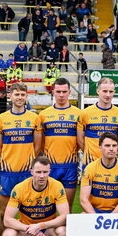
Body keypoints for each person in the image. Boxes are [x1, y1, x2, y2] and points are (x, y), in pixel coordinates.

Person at [0, 82, 39, 236]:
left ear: (26, 96)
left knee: (30, 212)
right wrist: (6, 162)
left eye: (23, 94)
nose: (20, 97)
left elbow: (37, 145)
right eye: (16, 94)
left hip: (27, 173)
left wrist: (30, 164)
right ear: (10, 96)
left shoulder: (34, 118)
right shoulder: (2, 119)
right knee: (4, 213)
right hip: (8, 173)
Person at [2, 156, 69, 236]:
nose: (42, 176)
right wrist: (29, 228)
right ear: (31, 171)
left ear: (50, 171)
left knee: (64, 232)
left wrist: (40, 226)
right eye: (38, 172)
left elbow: (65, 216)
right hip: (26, 231)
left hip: (47, 230)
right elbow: (7, 220)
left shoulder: (57, 186)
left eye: (45, 172)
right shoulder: (20, 189)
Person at [35, 78, 82, 210]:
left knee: (67, 208)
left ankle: (65, 231)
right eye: (58, 92)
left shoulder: (79, 114)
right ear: (53, 92)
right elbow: (40, 140)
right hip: (49, 166)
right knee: (47, 208)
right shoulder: (43, 115)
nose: (61, 95)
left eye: (64, 92)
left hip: (70, 166)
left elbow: (81, 139)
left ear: (69, 92)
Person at [80, 132, 118, 214]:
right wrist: (96, 217)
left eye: (114, 146)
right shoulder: (90, 168)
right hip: (94, 211)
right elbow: (83, 200)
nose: (111, 149)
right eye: (107, 146)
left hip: (115, 212)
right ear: (100, 147)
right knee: (83, 215)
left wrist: (109, 218)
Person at [77, 77, 118, 164]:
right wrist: (89, 152)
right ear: (98, 91)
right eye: (104, 91)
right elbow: (80, 139)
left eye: (111, 92)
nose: (108, 95)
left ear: (114, 92)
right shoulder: (85, 113)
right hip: (90, 161)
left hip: (111, 162)